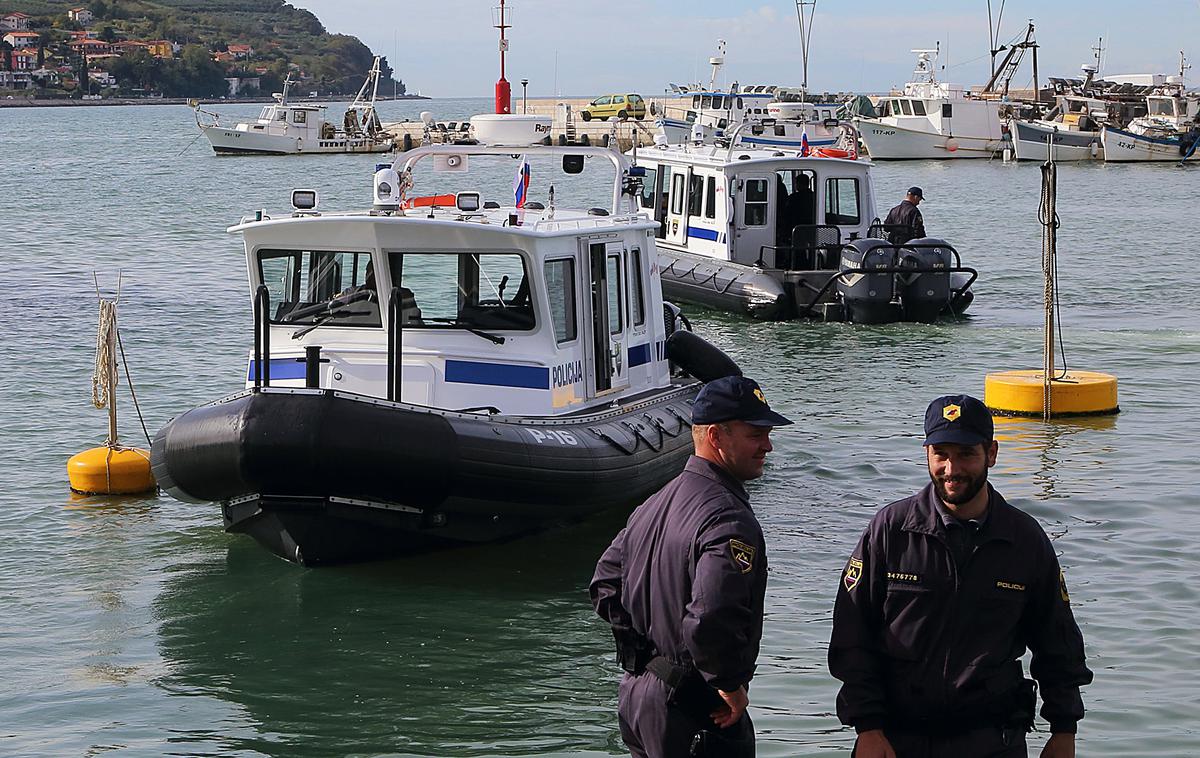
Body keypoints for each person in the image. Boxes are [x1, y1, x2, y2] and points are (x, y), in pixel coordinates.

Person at [828, 395, 1093, 758]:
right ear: (927, 454)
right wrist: (867, 726)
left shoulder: (1024, 539)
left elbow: (1057, 642)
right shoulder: (891, 531)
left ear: (992, 454)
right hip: (896, 739)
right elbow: (851, 633)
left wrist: (1064, 730)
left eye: (966, 454)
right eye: (941, 454)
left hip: (991, 739)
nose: (951, 468)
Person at [590, 376, 793, 758]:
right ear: (716, 436)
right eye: (755, 435)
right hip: (697, 707)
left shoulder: (654, 504)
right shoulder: (728, 518)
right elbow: (712, 615)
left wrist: (645, 656)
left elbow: (605, 584)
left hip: (640, 697)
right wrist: (729, 685)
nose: (767, 445)